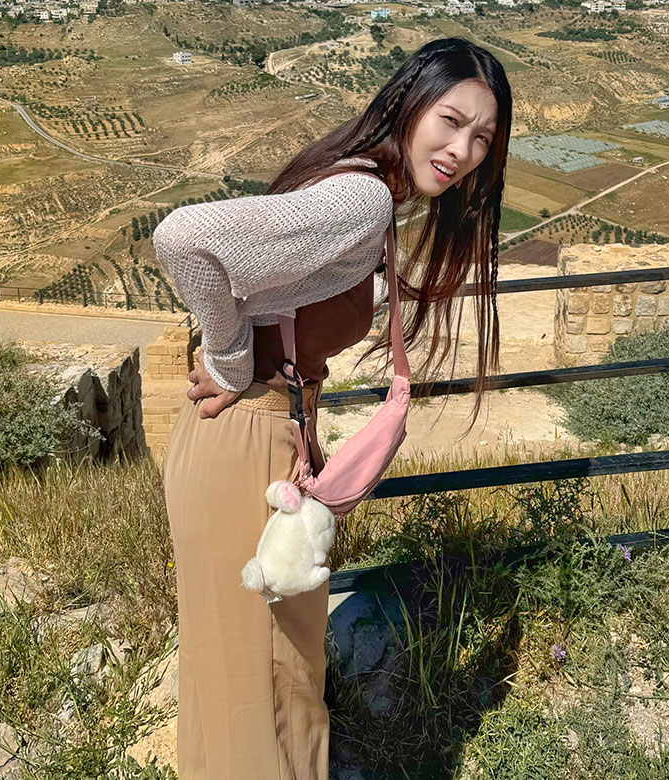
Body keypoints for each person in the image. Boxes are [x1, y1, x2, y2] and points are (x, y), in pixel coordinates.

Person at [151, 37, 512, 780]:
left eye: (482, 138)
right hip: (245, 443)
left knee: (274, 675)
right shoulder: (364, 197)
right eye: (450, 121)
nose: (463, 150)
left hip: (264, 439)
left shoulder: (370, 194)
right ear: (409, 105)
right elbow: (184, 238)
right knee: (257, 683)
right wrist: (227, 357)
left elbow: (281, 291)